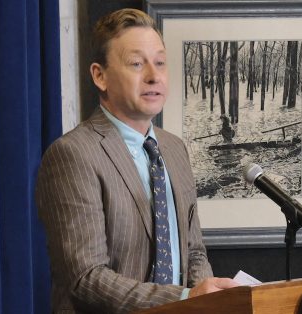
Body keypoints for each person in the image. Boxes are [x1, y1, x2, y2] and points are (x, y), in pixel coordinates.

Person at [35, 8, 238, 314]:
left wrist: (204, 300)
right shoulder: (73, 154)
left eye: (159, 62)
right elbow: (86, 277)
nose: (154, 76)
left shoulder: (174, 149)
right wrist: (183, 299)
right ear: (99, 76)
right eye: (136, 63)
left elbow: (194, 251)